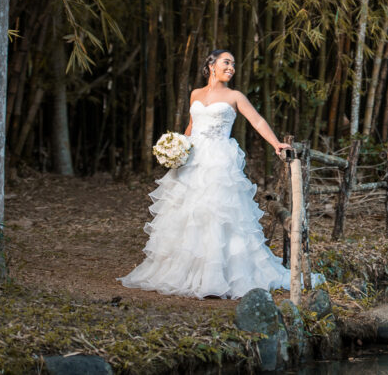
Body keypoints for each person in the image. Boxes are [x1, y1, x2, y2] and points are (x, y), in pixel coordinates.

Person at [118, 49, 305, 298]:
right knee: (187, 215)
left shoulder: (234, 96)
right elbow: (192, 126)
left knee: (217, 214)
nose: (232, 67)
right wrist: (176, 148)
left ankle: (218, 275)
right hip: (192, 160)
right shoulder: (195, 93)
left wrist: (275, 144)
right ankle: (183, 270)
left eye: (234, 64)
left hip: (218, 160)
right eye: (227, 62)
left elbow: (257, 121)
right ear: (211, 65)